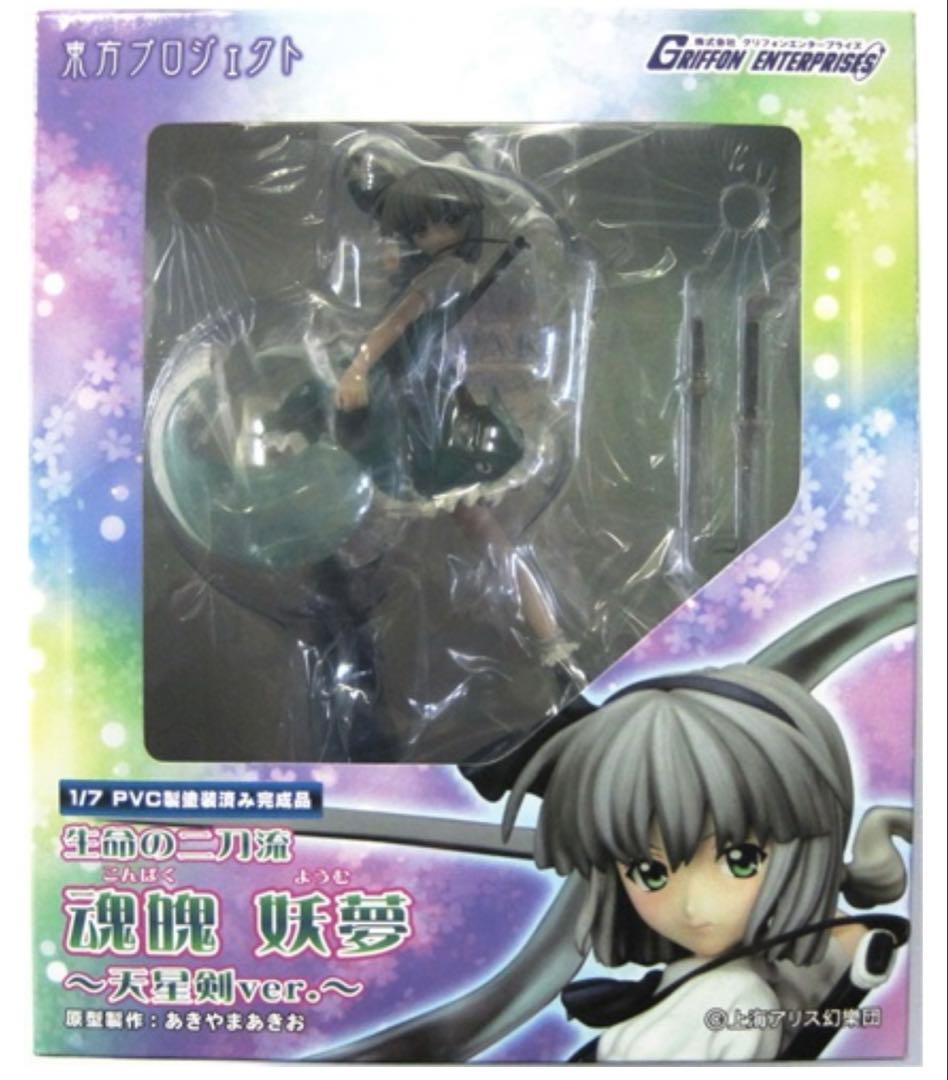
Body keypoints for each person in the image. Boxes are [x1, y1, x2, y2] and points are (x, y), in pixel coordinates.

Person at [499, 664, 911, 1060]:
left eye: (741, 860)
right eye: (650, 873)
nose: (694, 907)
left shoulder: (735, 997)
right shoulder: (797, 959)